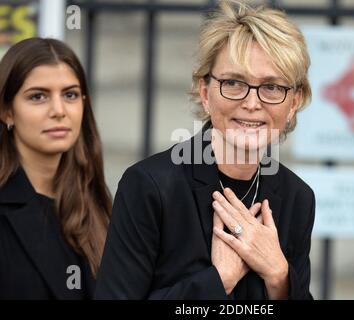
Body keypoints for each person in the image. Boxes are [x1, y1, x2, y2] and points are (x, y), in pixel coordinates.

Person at [95, 0, 314, 300]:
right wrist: (217, 281)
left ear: (294, 102)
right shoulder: (150, 187)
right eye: (234, 83)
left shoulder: (297, 198)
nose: (252, 103)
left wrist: (279, 276)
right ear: (205, 93)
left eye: (272, 87)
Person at [0, 38, 112, 299]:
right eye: (38, 96)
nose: (59, 110)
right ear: (7, 111)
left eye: (70, 94)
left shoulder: (98, 206)